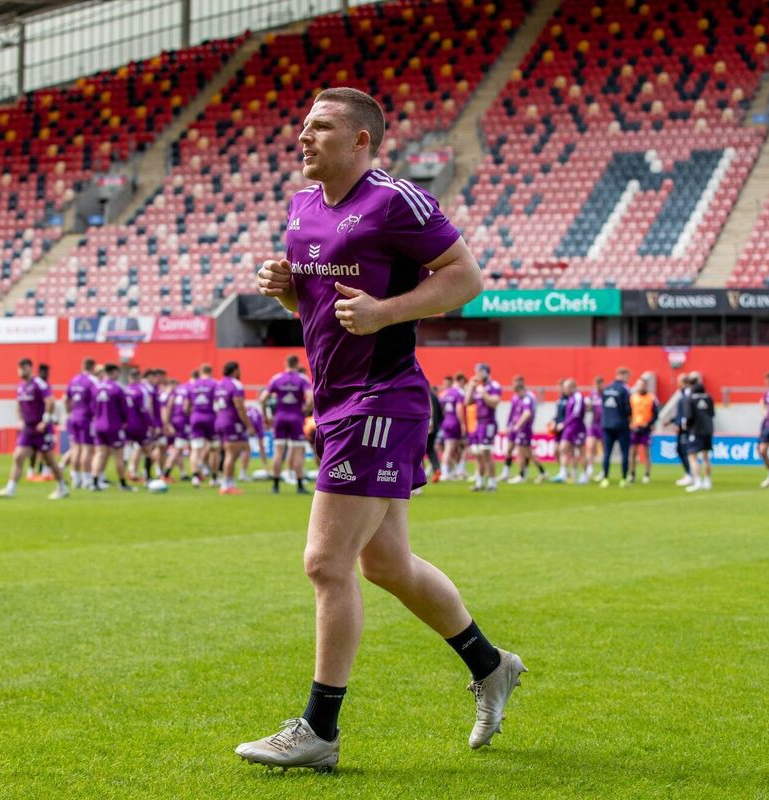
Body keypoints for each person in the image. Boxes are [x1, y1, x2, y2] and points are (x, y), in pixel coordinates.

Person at [239, 87, 525, 772]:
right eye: (304, 126)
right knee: (385, 563)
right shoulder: (302, 207)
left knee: (325, 562)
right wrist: (286, 289)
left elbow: (465, 279)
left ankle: (319, 730)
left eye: (322, 127)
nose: (304, 137)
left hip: (381, 398)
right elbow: (323, 306)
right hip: (336, 400)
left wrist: (387, 311)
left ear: (362, 140)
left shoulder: (396, 200)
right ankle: (492, 666)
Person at [0, 358, 68, 500]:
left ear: (29, 368)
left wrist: (45, 420)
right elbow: (18, 405)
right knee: (18, 456)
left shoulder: (39, 384)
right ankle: (10, 489)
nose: (20, 371)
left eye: (23, 368)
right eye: (19, 368)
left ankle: (62, 487)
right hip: (28, 429)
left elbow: (50, 401)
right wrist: (20, 420)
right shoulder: (20, 386)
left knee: (49, 460)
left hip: (42, 429)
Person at [259, 354, 313, 494]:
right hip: (296, 418)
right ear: (297, 364)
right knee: (297, 452)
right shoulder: (302, 379)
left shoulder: (277, 378)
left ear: (285, 363)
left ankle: (275, 485)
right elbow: (311, 398)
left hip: (280, 418)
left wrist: (266, 415)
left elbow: (263, 398)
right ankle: (300, 485)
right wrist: (305, 409)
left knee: (278, 452)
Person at [214, 361, 256, 495]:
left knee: (238, 449)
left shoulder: (219, 384)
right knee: (231, 454)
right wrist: (248, 425)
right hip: (232, 422)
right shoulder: (235, 384)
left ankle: (230, 483)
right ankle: (226, 485)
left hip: (220, 420)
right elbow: (239, 406)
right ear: (235, 370)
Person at [91, 363, 132, 491]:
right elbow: (124, 409)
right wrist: (125, 421)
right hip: (113, 425)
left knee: (99, 453)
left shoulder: (96, 387)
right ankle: (122, 483)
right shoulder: (117, 388)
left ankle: (95, 482)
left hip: (98, 425)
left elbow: (92, 407)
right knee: (118, 455)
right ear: (114, 372)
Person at [465, 363, 501, 492]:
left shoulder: (493, 386)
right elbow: (467, 402)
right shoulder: (478, 387)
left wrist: (484, 393)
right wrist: (471, 387)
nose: (477, 374)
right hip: (478, 423)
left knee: (486, 452)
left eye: (479, 371)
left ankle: (492, 482)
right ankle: (480, 482)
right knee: (478, 454)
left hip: (489, 422)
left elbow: (495, 402)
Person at [65, 358, 99, 490]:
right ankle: (86, 480)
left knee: (75, 449)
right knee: (87, 449)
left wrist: (70, 412)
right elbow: (97, 399)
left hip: (74, 417)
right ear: (92, 367)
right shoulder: (92, 381)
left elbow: (66, 399)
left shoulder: (74, 380)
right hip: (87, 418)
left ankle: (75, 478)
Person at [505, 376, 545, 484]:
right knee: (529, 453)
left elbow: (527, 413)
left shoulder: (527, 398)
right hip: (522, 428)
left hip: (524, 429)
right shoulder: (522, 398)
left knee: (521, 453)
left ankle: (521, 475)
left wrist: (518, 425)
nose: (517, 395)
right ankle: (542, 472)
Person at [681, 372, 715, 493]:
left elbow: (688, 416)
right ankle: (707, 481)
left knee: (692, 457)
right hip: (708, 430)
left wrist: (686, 426)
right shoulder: (708, 397)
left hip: (695, 431)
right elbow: (712, 414)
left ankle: (697, 481)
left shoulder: (689, 399)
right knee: (706, 457)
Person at [599, 367, 632, 488]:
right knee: (624, 452)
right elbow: (627, 408)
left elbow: (603, 405)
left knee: (607, 452)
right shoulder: (624, 389)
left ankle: (605, 478)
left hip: (606, 424)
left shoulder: (606, 388)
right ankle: (623, 479)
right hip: (621, 425)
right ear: (623, 375)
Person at [659, 373, 694, 486]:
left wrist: (680, 425)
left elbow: (686, 413)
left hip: (686, 429)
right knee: (681, 450)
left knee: (684, 451)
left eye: (679, 381)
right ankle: (689, 474)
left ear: (683, 382)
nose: (677, 383)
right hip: (683, 427)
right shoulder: (683, 394)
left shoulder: (687, 395)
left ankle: (690, 474)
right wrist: (671, 421)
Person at [188, 364, 219, 487]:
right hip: (211, 417)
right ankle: (214, 478)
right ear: (211, 372)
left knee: (195, 449)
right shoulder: (215, 384)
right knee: (214, 449)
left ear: (200, 372)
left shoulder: (193, 385)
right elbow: (218, 402)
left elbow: (186, 405)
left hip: (196, 417)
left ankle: (195, 477)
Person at [552, 378, 587, 484]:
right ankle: (566, 473)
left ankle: (584, 474)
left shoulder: (578, 397)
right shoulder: (570, 398)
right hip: (569, 428)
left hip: (578, 428)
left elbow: (575, 414)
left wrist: (564, 424)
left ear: (572, 387)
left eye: (566, 387)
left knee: (581, 453)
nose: (564, 389)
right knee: (564, 449)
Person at [628, 377, 659, 484]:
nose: (640, 386)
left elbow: (656, 414)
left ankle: (646, 474)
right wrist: (630, 423)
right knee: (632, 452)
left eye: (642, 385)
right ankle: (632, 474)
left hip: (646, 429)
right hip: (635, 428)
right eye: (638, 384)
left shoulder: (651, 398)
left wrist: (650, 424)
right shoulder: (632, 397)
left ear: (645, 386)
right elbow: (628, 412)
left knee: (646, 453)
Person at [163, 374, 193, 482]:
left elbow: (169, 406)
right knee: (178, 448)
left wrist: (168, 423)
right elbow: (186, 407)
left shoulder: (176, 390)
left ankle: (185, 473)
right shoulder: (189, 389)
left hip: (175, 420)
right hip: (183, 422)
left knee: (179, 448)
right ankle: (165, 473)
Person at [439, 374, 467, 481]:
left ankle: (452, 471)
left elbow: (441, 407)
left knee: (451, 448)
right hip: (455, 422)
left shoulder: (446, 393)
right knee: (453, 448)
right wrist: (462, 424)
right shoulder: (459, 393)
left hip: (446, 421)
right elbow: (459, 408)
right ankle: (447, 472)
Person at [585, 376, 605, 481]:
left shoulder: (606, 394)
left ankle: (603, 470)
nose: (597, 387)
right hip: (593, 424)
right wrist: (588, 406)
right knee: (591, 446)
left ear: (603, 384)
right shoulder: (593, 394)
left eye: (599, 384)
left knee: (603, 448)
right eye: (596, 384)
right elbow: (589, 408)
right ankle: (589, 468)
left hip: (603, 425)